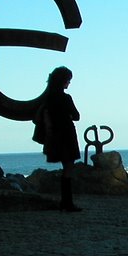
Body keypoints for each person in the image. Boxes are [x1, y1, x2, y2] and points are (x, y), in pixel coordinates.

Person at [38, 66, 83, 212]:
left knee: (66, 167)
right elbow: (76, 116)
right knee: (68, 168)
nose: (69, 83)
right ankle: (67, 202)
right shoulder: (65, 98)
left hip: (55, 136)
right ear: (63, 81)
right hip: (67, 134)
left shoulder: (48, 98)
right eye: (68, 80)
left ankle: (66, 202)